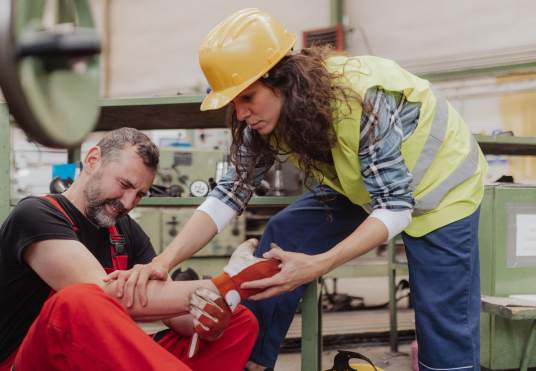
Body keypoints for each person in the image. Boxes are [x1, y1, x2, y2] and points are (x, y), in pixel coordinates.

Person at [108, 9, 487, 371]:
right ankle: (252, 358)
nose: (240, 113)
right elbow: (228, 195)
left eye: (247, 97)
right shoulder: (265, 117)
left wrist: (319, 264)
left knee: (441, 316)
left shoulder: (362, 98)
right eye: (234, 101)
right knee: (285, 233)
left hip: (442, 188)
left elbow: (396, 206)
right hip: (360, 183)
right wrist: (164, 262)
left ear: (282, 81)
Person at [0, 127, 279, 371]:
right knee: (76, 302)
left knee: (239, 322)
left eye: (139, 194)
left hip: (91, 358)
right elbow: (103, 295)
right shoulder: (35, 215)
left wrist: (206, 316)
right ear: (92, 160)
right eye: (124, 184)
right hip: (32, 362)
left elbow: (170, 311)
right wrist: (225, 284)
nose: (127, 203)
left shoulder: (125, 231)